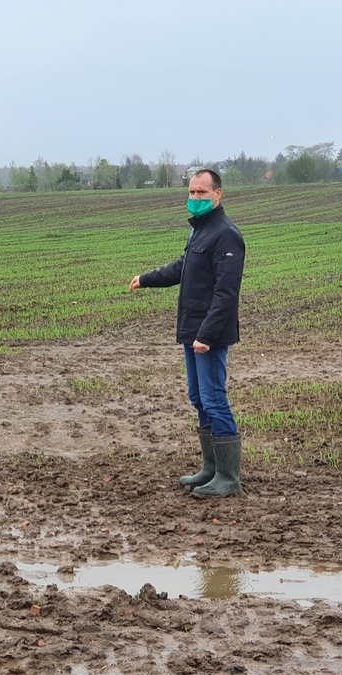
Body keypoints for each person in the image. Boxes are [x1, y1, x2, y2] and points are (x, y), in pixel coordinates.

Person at [130, 168, 245, 498]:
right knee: (198, 398)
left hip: (209, 334)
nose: (194, 198)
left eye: (201, 193)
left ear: (217, 195)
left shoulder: (226, 234)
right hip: (192, 329)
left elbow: (226, 293)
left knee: (213, 398)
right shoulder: (201, 232)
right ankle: (211, 468)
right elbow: (183, 268)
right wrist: (148, 278)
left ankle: (228, 476)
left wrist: (206, 335)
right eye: (191, 193)